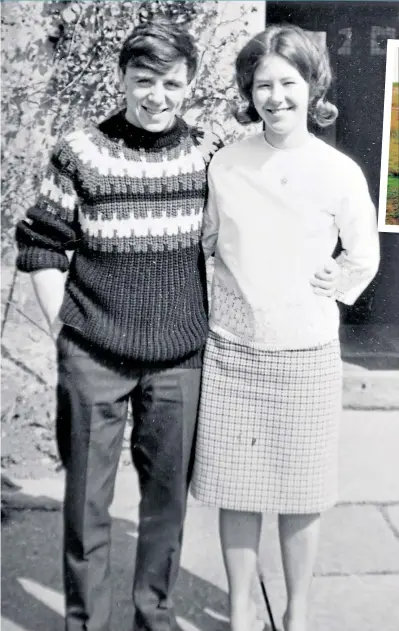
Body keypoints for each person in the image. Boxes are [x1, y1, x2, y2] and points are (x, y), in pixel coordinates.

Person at [15, 17, 338, 631]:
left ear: (188, 85)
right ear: (122, 79)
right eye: (143, 81)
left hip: (179, 359)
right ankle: (86, 623)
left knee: (165, 508)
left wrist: (333, 268)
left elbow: (268, 175)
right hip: (93, 358)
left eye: (171, 83)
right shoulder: (80, 152)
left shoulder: (208, 156)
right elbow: (39, 242)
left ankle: (153, 619)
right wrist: (65, 327)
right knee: (87, 505)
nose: (156, 96)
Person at [191, 24, 380, 631]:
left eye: (288, 82)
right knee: (237, 490)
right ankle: (243, 611)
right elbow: (209, 242)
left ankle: (297, 614)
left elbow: (364, 251)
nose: (276, 96)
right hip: (234, 349)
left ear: (312, 85)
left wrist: (341, 282)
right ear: (249, 92)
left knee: (301, 496)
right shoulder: (226, 164)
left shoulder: (338, 170)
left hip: (306, 351)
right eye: (262, 84)